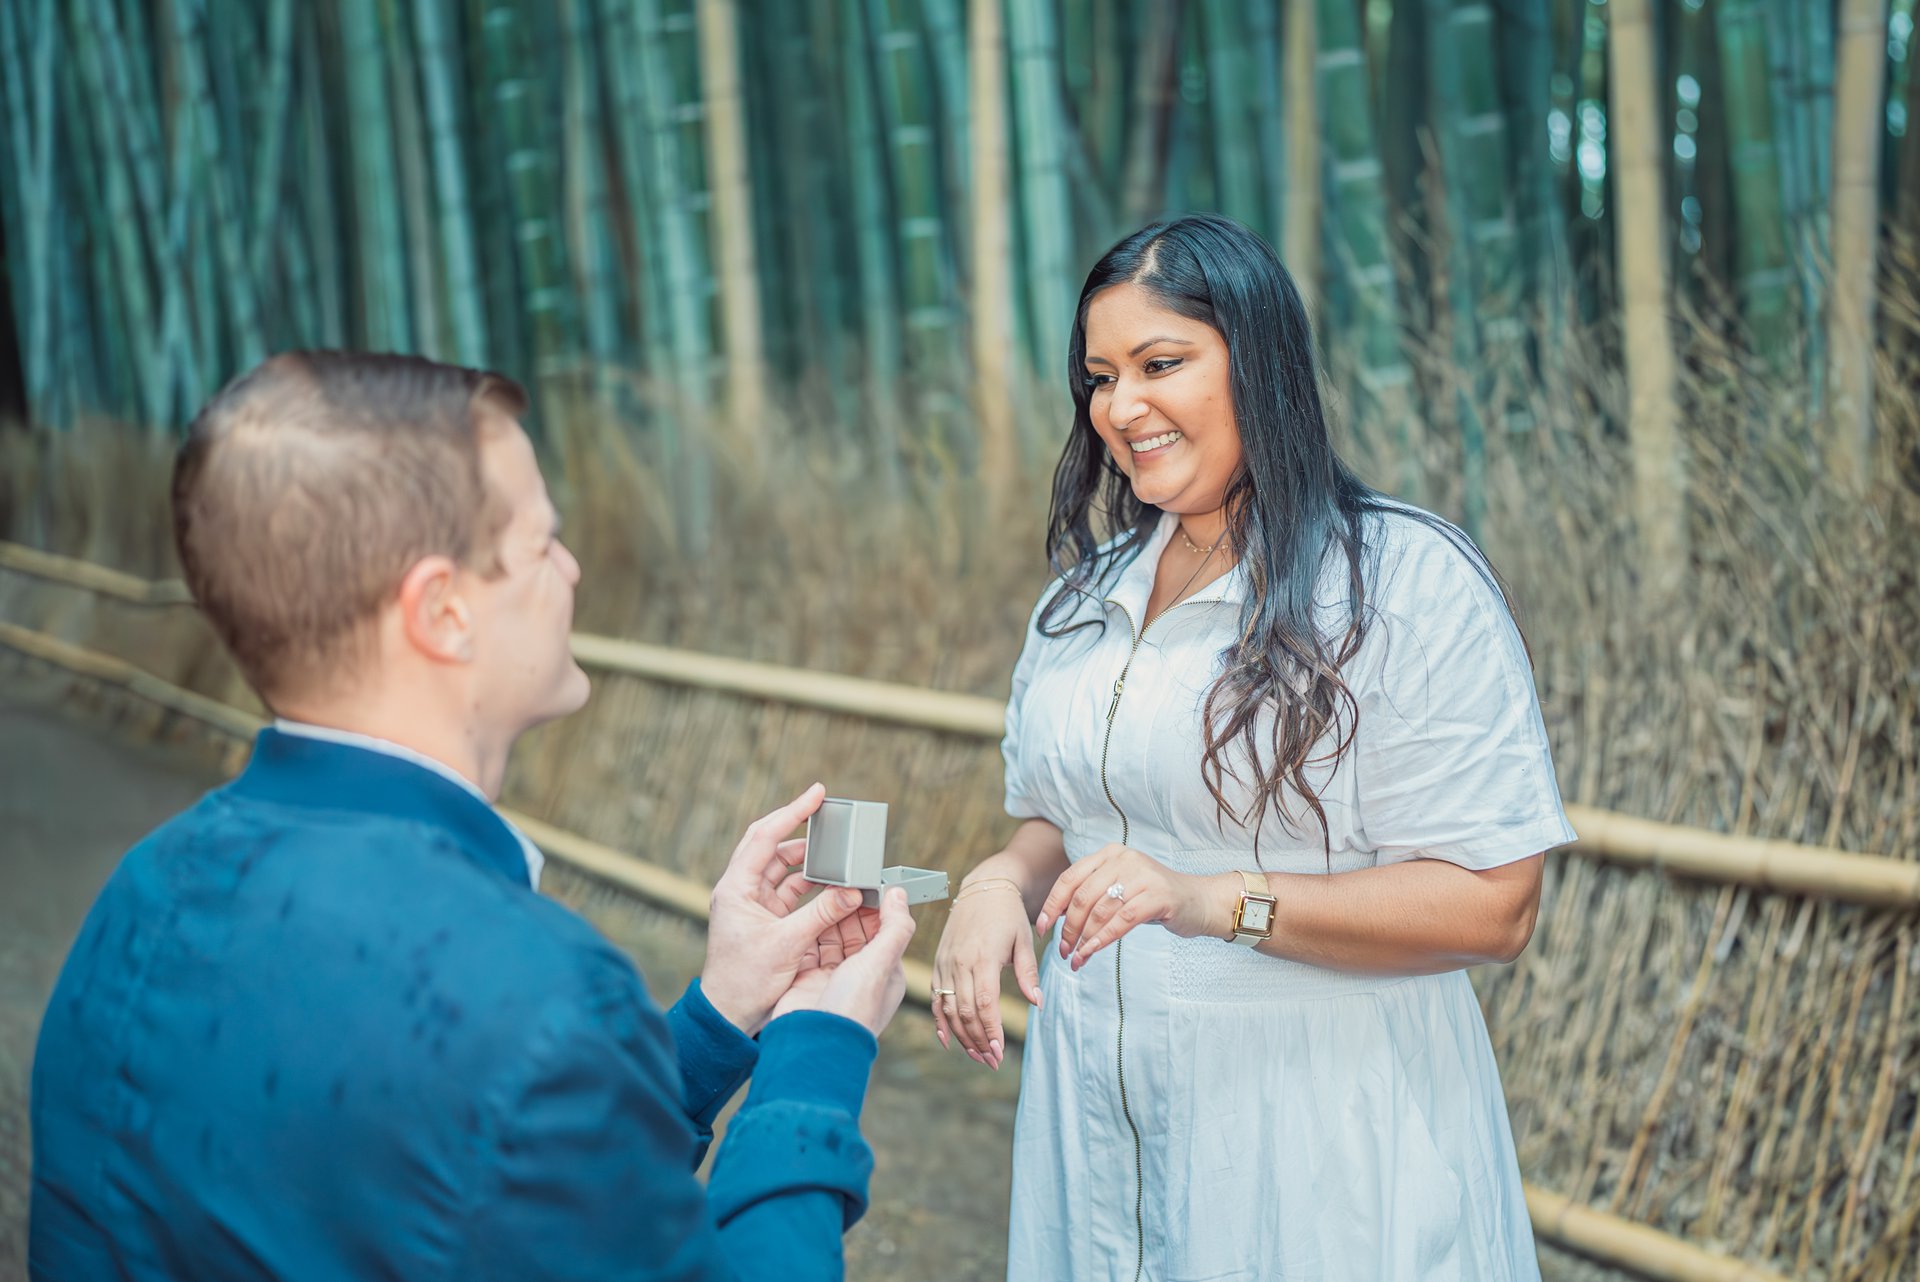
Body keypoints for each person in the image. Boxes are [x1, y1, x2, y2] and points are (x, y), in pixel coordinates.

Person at [30, 352, 915, 1282]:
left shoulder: (139, 896)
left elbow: (508, 1185)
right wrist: (815, 1051)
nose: (572, 568)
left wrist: (721, 1009)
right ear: (443, 610)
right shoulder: (534, 998)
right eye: (544, 543)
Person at [932, 215, 1575, 1281]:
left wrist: (1216, 900)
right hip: (1094, 1119)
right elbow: (1066, 819)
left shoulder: (1401, 583)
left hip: (1322, 1132)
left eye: (1161, 364)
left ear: (1260, 361)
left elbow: (1494, 904)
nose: (1120, 407)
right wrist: (997, 881)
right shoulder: (1084, 599)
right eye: (1100, 377)